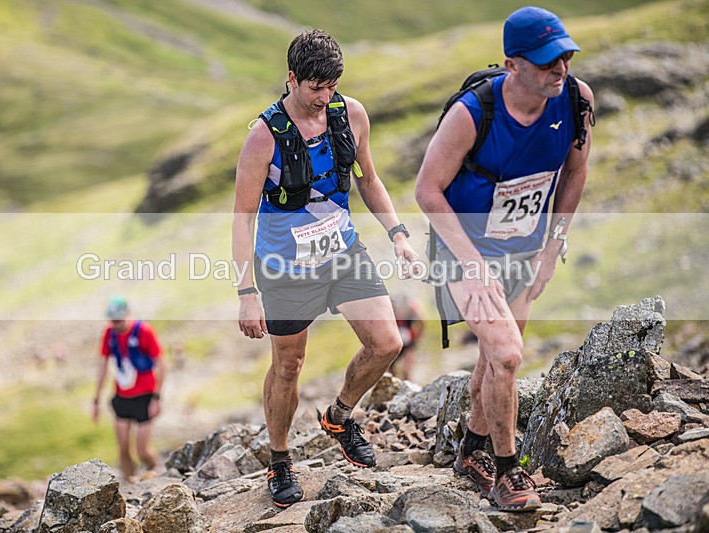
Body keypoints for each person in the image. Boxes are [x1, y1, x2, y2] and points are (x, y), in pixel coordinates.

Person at [415, 6, 594, 512]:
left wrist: (554, 246)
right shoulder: (472, 113)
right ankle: (507, 471)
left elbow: (575, 172)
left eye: (564, 56)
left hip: (524, 250)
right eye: (546, 61)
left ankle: (472, 450)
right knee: (509, 353)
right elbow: (427, 190)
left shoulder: (577, 100)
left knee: (496, 360)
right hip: (462, 249)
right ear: (513, 65)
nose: (559, 68)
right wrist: (473, 265)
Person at [232, 29, 420, 508]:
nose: (324, 97)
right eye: (316, 87)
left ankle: (338, 417)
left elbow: (369, 179)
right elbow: (242, 218)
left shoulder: (350, 114)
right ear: (292, 78)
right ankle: (279, 460)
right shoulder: (263, 137)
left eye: (332, 86)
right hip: (285, 267)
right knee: (289, 366)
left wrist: (398, 233)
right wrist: (246, 292)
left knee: (387, 343)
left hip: (342, 252)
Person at [92, 296, 165, 483]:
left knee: (142, 450)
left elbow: (161, 365)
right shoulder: (109, 334)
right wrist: (96, 400)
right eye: (113, 320)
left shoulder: (144, 331)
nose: (116, 324)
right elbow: (103, 367)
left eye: (119, 320)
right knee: (123, 448)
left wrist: (156, 398)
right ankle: (129, 483)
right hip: (122, 397)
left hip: (145, 396)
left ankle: (156, 474)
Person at [389, 293, 424, 381]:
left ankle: (407, 385)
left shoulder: (412, 308)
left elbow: (422, 322)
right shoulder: (390, 309)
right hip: (395, 342)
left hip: (409, 342)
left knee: (406, 370)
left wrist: (417, 337)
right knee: (391, 369)